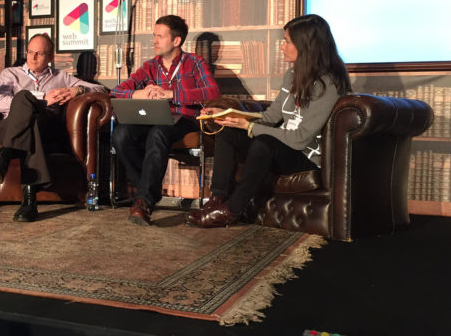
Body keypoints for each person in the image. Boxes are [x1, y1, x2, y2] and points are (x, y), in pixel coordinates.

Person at [187, 14, 352, 228]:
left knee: (263, 143)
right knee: (227, 132)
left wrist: (250, 127)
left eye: (287, 41)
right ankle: (217, 200)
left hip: (306, 156)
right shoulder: (292, 75)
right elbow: (271, 117)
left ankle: (232, 210)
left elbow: (300, 139)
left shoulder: (328, 83)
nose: (282, 46)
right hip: (285, 147)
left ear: (306, 46)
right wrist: (231, 116)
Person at [0, 34, 106, 222]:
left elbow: (102, 90)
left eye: (39, 54)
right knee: (24, 99)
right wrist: (42, 101)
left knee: (34, 124)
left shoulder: (60, 77)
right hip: (8, 126)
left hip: (46, 126)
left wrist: (76, 90)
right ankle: (29, 200)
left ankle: (3, 157)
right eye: (30, 52)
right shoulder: (10, 73)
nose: (32, 57)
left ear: (50, 57)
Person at [111, 15, 221, 226]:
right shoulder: (150, 66)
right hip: (153, 116)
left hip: (184, 118)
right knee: (121, 134)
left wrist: (171, 94)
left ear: (176, 41)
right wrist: (139, 94)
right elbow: (117, 91)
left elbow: (212, 92)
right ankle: (146, 191)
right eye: (154, 36)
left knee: (159, 133)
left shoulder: (195, 63)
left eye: (160, 36)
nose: (154, 41)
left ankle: (143, 201)